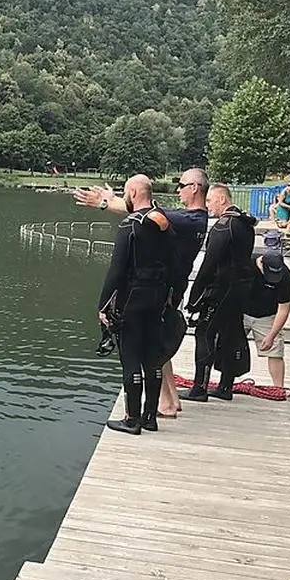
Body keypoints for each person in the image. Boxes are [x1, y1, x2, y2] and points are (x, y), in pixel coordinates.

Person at [73, 167, 210, 418]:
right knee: (157, 347)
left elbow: (143, 213)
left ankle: (164, 404)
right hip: (168, 290)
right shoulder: (192, 218)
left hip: (164, 293)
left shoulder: (190, 221)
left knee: (152, 349)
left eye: (181, 185)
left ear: (195, 188)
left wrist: (106, 203)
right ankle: (171, 399)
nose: (178, 189)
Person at [94, 174, 175, 435]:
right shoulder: (165, 223)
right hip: (158, 298)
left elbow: (116, 271)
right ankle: (150, 417)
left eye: (126, 192)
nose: (125, 196)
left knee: (130, 358)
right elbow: (174, 263)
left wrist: (103, 306)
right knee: (153, 357)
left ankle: (132, 419)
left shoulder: (130, 226)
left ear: (135, 192)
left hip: (133, 299)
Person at [182, 184, 258, 402]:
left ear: (222, 200)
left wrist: (195, 296)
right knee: (231, 334)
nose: (207, 206)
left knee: (204, 333)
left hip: (221, 289)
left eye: (210, 201)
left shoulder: (223, 226)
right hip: (240, 289)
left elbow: (209, 264)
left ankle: (199, 387)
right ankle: (226, 386)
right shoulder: (245, 224)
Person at [243, 250, 290, 387]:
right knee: (227, 344)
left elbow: (284, 309)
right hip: (240, 311)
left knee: (276, 350)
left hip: (268, 315)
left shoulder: (285, 275)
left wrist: (272, 335)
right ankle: (224, 383)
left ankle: (278, 388)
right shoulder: (247, 263)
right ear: (261, 263)